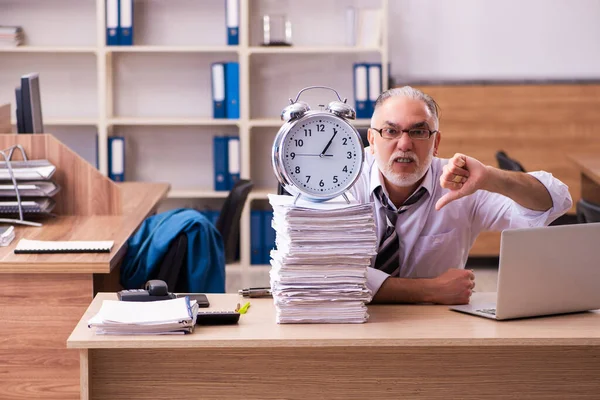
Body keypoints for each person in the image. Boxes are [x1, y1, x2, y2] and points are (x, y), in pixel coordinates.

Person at [348, 86, 572, 305]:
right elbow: (328, 275)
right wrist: (429, 290)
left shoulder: (459, 181)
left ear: (436, 143)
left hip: (438, 325)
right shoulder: (343, 180)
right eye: (390, 131)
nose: (405, 144)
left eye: (419, 132)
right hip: (348, 320)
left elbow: (553, 202)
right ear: (372, 140)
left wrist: (491, 177)